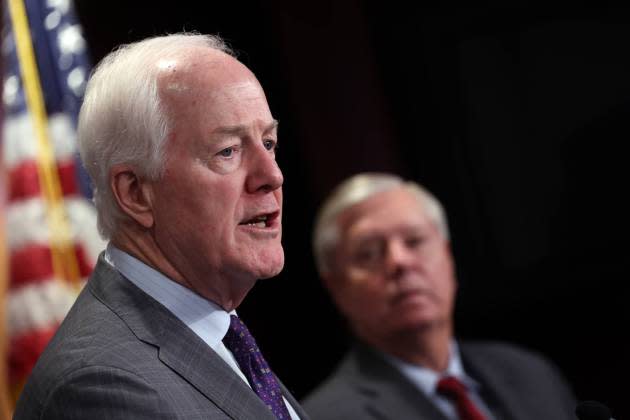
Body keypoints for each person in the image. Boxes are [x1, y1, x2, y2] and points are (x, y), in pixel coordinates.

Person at [14, 33, 308, 420]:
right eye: (228, 151)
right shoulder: (99, 387)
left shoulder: (221, 336)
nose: (272, 175)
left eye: (268, 143)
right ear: (135, 192)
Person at [303, 173, 576, 420]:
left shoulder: (533, 375)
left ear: (448, 257)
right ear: (335, 286)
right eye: (369, 253)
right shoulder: (326, 416)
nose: (399, 262)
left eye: (414, 241)